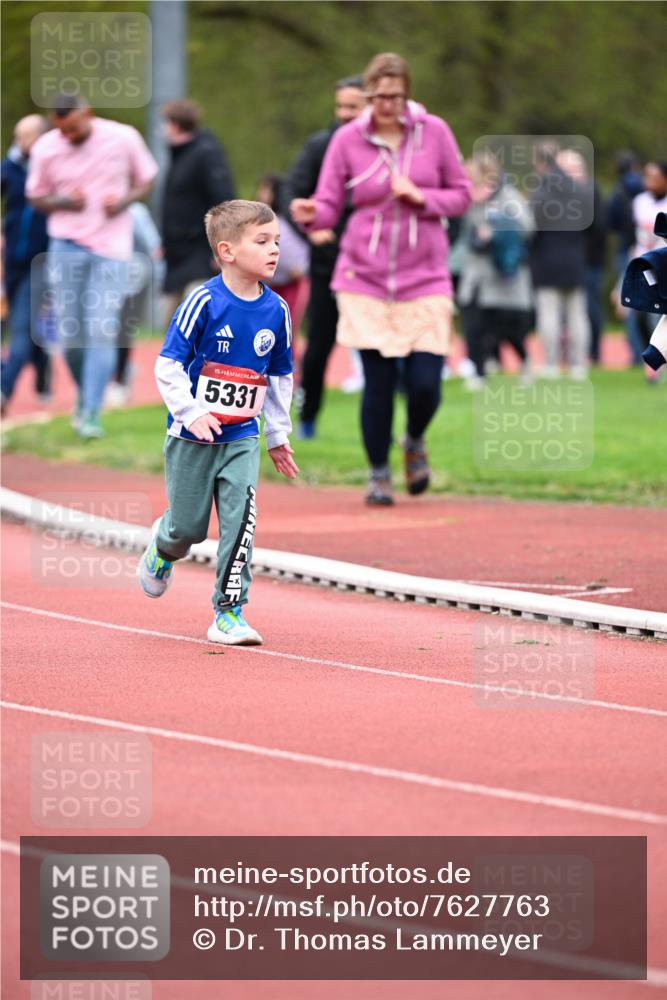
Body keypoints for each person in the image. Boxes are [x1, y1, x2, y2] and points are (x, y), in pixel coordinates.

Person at [291, 53, 471, 504]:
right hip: (363, 275)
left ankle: (412, 440)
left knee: (427, 382)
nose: (387, 104)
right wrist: (312, 215)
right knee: (379, 382)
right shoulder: (349, 139)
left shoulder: (436, 134)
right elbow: (330, 204)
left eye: (395, 95)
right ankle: (377, 474)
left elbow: (462, 196)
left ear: (407, 92)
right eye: (378, 96)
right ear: (369, 94)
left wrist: (422, 196)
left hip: (425, 274)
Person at [137, 200, 298, 645]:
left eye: (277, 242)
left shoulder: (278, 311)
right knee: (189, 528)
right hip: (192, 435)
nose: (274, 251)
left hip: (242, 436)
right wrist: (193, 412)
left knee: (240, 520)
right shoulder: (203, 302)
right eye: (262, 241)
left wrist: (278, 435)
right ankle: (164, 544)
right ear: (227, 251)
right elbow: (167, 366)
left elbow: (280, 376)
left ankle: (229, 612)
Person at [26, 94, 158, 437]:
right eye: (61, 130)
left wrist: (125, 200)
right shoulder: (46, 148)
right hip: (66, 245)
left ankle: (91, 413)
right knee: (70, 335)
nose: (67, 137)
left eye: (72, 129)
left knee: (101, 327)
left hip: (112, 247)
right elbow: (35, 196)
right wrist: (64, 201)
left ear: (87, 114)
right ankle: (87, 393)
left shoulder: (123, 136)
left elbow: (146, 178)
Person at [284, 75, 367, 438]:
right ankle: (308, 418)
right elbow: (292, 191)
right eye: (341, 107)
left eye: (353, 107)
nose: (346, 114)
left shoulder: (385, 149)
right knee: (319, 344)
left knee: (383, 348)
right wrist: (310, 228)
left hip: (374, 264)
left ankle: (396, 428)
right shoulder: (320, 145)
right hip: (328, 264)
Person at [457, 151, 535, 387]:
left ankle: (524, 361)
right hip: (475, 273)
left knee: (506, 327)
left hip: (503, 276)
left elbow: (528, 229)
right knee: (472, 323)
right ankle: (478, 372)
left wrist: (497, 230)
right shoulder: (469, 200)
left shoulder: (510, 198)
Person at [161, 99, 235, 317]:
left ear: (175, 124)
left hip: (201, 251)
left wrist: (220, 246)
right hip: (177, 254)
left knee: (195, 317)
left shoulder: (206, 154)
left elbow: (223, 202)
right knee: (173, 323)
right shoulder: (180, 155)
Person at [1, 114, 51, 414]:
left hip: (41, 263)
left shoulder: (55, 168)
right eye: (17, 136)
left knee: (20, 328)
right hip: (11, 262)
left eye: (25, 136)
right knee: (23, 329)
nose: (19, 142)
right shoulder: (11, 169)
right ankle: (42, 364)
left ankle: (4, 392)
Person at [529, 142, 590, 379]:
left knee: (549, 314)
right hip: (575, 256)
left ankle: (552, 363)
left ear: (540, 162)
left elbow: (531, 225)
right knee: (577, 314)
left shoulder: (541, 190)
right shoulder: (579, 189)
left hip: (546, 257)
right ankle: (578, 365)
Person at [256, 172, 309, 333]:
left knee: (286, 327)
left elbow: (297, 248)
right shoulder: (259, 221)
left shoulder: (286, 221)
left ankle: (290, 357)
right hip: (269, 283)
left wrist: (300, 267)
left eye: (266, 190)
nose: (260, 194)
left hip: (291, 283)